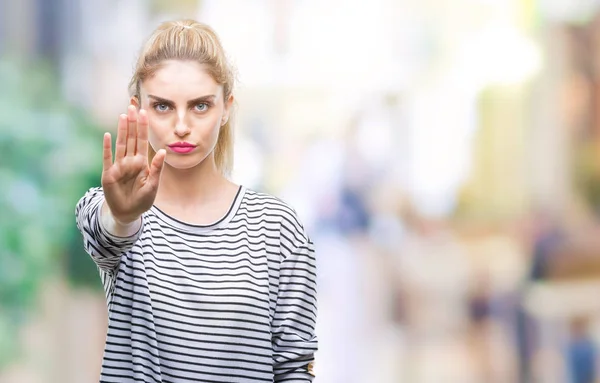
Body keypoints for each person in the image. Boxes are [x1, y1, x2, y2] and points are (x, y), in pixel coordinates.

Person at [75, 19, 318, 382]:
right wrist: (122, 215)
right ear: (137, 109)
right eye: (162, 107)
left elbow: (294, 368)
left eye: (200, 106)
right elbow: (108, 234)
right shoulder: (107, 207)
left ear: (226, 108)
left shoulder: (278, 226)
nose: (182, 125)